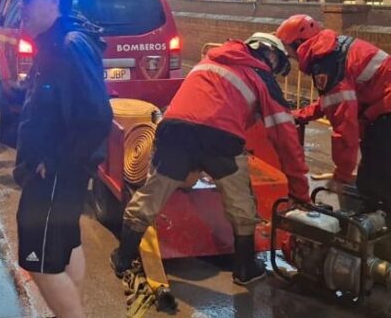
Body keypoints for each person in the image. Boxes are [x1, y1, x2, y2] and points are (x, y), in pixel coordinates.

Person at [112, 32, 309, 286]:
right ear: (270, 54)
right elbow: (285, 135)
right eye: (277, 65)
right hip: (222, 140)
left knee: (151, 196)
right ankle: (245, 267)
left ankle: (123, 259)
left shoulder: (210, 60)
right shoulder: (260, 74)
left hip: (174, 132)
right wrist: (299, 191)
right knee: (241, 205)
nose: (273, 72)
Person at [13, 0, 113, 318]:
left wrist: (54, 161)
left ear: (54, 2)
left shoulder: (68, 45)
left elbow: (98, 115)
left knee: (37, 258)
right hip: (59, 171)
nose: (21, 5)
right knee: (65, 243)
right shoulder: (57, 42)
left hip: (55, 172)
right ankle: (72, 310)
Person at [277, 14, 391, 208]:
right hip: (383, 110)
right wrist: (300, 114)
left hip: (385, 115)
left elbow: (344, 126)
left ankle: (378, 232)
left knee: (375, 185)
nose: (291, 58)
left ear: (298, 44)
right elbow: (331, 101)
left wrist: (342, 175)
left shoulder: (328, 64)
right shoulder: (332, 51)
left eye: (288, 51)